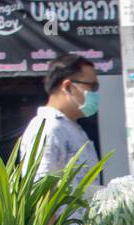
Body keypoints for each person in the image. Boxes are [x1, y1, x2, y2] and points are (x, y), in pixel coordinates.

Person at [19, 53, 102, 182]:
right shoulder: (48, 128)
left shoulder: (70, 126)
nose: (95, 93)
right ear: (68, 87)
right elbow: (40, 186)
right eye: (93, 87)